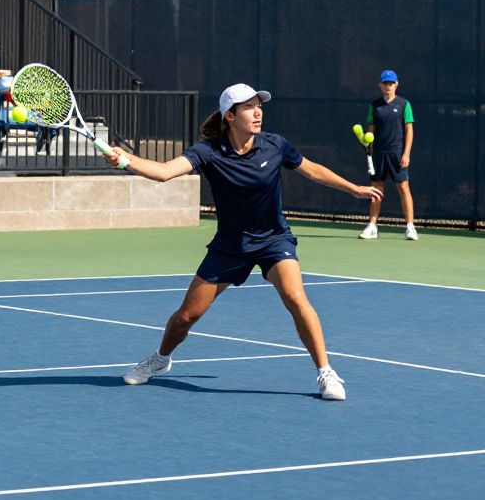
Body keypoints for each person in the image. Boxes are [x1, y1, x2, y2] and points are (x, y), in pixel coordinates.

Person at [110, 84, 383, 401]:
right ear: (230, 115)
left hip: (273, 239)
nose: (258, 113)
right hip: (230, 246)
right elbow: (163, 171)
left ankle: (326, 373)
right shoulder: (208, 151)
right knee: (187, 316)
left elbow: (312, 171)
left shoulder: (275, 145)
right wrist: (125, 159)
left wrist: (354, 189)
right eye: (249, 107)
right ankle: (159, 359)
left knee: (296, 297)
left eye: (259, 106)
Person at [358, 69, 417, 241]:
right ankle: (372, 226)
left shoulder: (404, 105)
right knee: (376, 189)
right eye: (385, 83)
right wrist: (368, 146)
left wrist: (406, 153)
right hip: (378, 154)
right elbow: (370, 130)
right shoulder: (374, 106)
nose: (388, 86)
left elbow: (409, 130)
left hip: (397, 154)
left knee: (403, 188)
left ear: (396, 85)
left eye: (391, 84)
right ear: (380, 85)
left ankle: (410, 227)